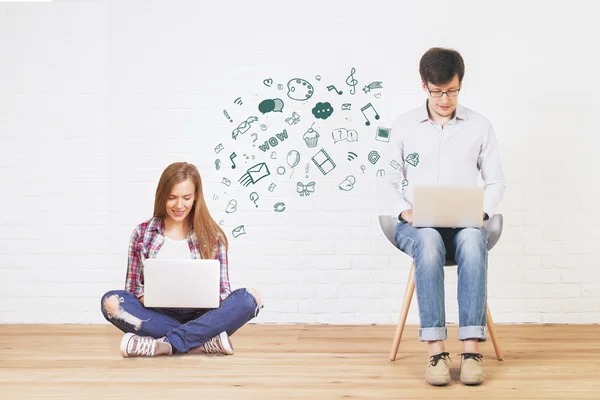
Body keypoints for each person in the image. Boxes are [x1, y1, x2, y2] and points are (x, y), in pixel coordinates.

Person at [384, 47, 506, 386]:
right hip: (416, 226)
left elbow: (496, 181)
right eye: (437, 91)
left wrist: (481, 210)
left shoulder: (480, 126)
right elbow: (387, 181)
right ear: (424, 86)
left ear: (460, 84)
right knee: (428, 239)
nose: (444, 99)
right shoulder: (404, 126)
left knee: (471, 238)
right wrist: (403, 210)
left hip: (463, 223)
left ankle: (470, 350)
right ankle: (436, 350)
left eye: (451, 90)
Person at [100, 161, 263, 358]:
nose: (179, 205)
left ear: (196, 198)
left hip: (201, 314)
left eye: (186, 198)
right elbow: (133, 289)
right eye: (172, 198)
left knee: (248, 300)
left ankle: (165, 344)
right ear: (162, 198)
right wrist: (149, 296)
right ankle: (202, 342)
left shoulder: (213, 236)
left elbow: (223, 291)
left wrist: (203, 299)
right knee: (110, 301)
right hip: (157, 314)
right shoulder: (142, 233)